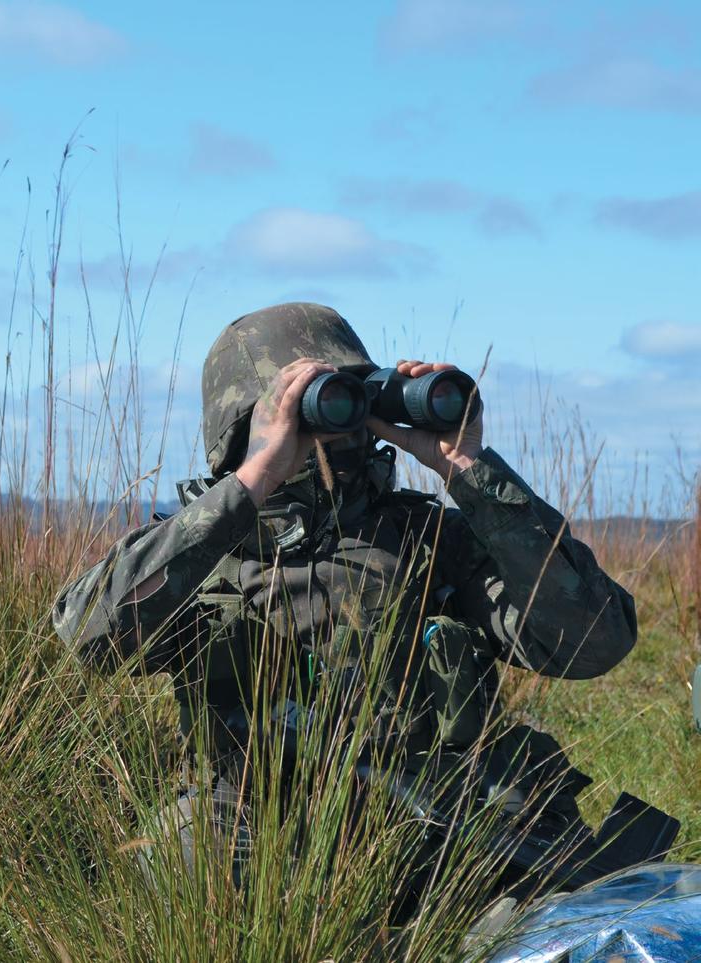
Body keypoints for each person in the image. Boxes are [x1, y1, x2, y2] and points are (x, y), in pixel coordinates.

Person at [51, 302, 639, 896]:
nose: (342, 424)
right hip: (267, 828)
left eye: (355, 394)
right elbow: (87, 638)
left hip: (439, 817)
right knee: (191, 855)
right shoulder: (199, 556)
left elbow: (595, 644)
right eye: (316, 399)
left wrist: (470, 471)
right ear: (242, 424)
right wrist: (254, 480)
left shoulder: (430, 540)